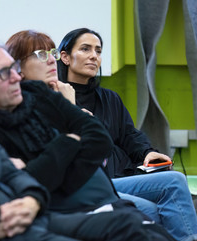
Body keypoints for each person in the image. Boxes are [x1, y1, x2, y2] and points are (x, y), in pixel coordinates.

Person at [0, 27, 176, 241]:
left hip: (70, 195)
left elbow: (101, 139)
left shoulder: (57, 95)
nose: (51, 61)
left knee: (152, 204)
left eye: (51, 54)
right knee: (134, 219)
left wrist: (40, 184)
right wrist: (67, 145)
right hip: (45, 206)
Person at [57, 27, 197, 241]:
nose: (94, 56)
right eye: (85, 49)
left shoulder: (109, 98)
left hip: (122, 174)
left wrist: (147, 152)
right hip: (93, 181)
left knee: (173, 186)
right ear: (65, 57)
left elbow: (129, 135)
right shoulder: (54, 98)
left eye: (98, 51)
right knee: (165, 197)